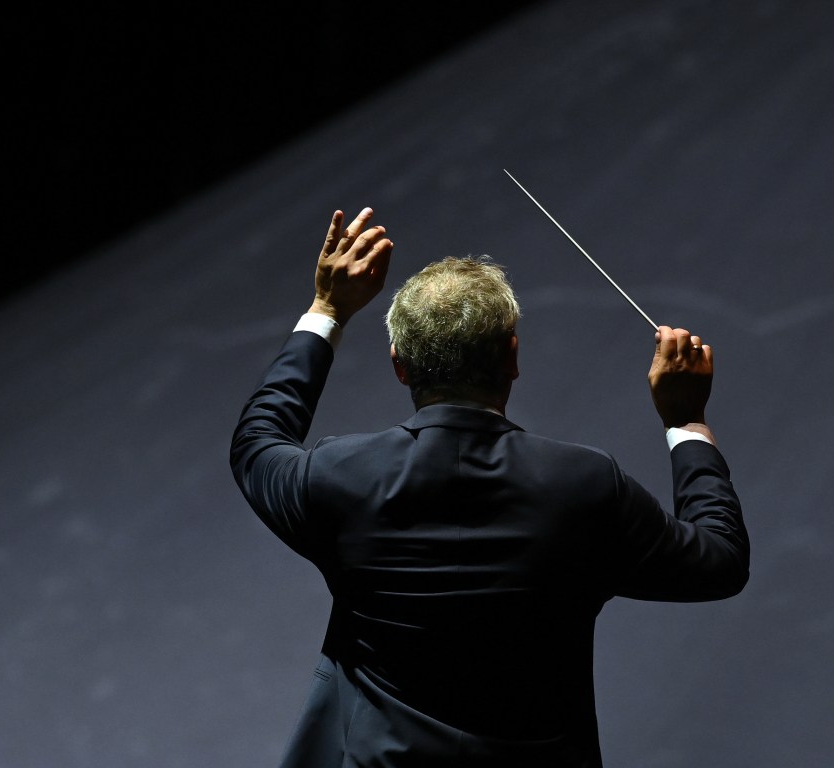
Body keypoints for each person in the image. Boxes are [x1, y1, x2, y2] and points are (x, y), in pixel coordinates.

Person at [230, 207, 749, 768]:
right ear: (512, 357)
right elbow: (720, 561)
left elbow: (257, 439)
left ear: (400, 365)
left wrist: (327, 310)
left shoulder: (339, 477)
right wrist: (685, 421)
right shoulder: (585, 486)